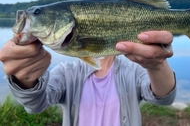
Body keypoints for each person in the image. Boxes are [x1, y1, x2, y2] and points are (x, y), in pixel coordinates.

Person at [0, 30, 176, 126]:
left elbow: (163, 98)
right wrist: (25, 79)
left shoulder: (133, 70)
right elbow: (36, 104)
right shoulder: (67, 72)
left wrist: (157, 65)